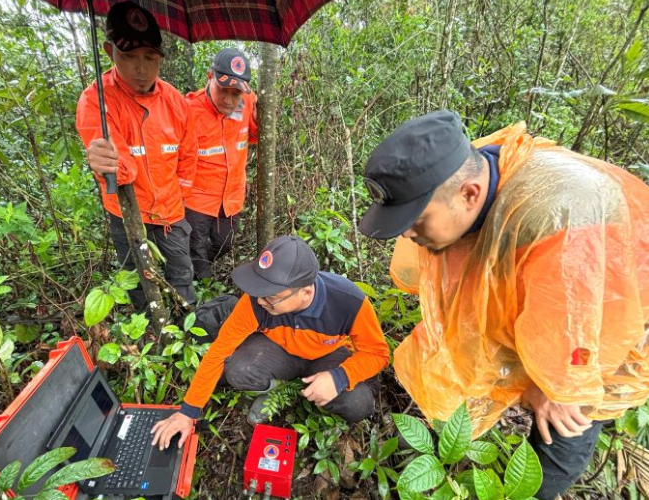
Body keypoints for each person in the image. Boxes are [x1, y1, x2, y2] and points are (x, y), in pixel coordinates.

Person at [358, 110, 649, 500]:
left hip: (599, 327)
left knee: (561, 428)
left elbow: (588, 332)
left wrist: (552, 388)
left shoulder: (560, 222)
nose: (407, 234)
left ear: (470, 194)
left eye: (416, 221)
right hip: (546, 299)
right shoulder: (462, 174)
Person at [150, 235, 390, 450]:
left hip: (328, 355)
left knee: (358, 404)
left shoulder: (349, 302)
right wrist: (188, 412)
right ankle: (281, 391)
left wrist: (339, 377)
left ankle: (315, 386)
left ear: (305, 293)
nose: (261, 301)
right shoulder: (256, 302)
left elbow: (378, 354)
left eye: (271, 297)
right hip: (279, 349)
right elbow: (218, 352)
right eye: (259, 292)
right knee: (238, 370)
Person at [77, 2, 198, 308]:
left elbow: (189, 153)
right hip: (127, 215)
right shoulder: (96, 102)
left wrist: (179, 196)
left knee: (182, 277)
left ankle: (188, 336)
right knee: (140, 285)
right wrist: (107, 160)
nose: (141, 69)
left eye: (150, 57)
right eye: (128, 57)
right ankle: (153, 336)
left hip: (172, 214)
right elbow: (125, 172)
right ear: (108, 51)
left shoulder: (175, 101)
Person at [184, 48, 258, 280]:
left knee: (226, 242)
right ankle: (201, 289)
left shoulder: (248, 101)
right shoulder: (188, 109)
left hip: (232, 196)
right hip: (197, 199)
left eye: (235, 93)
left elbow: (256, 135)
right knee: (196, 251)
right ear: (209, 78)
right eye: (222, 90)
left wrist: (260, 117)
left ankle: (195, 268)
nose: (228, 99)